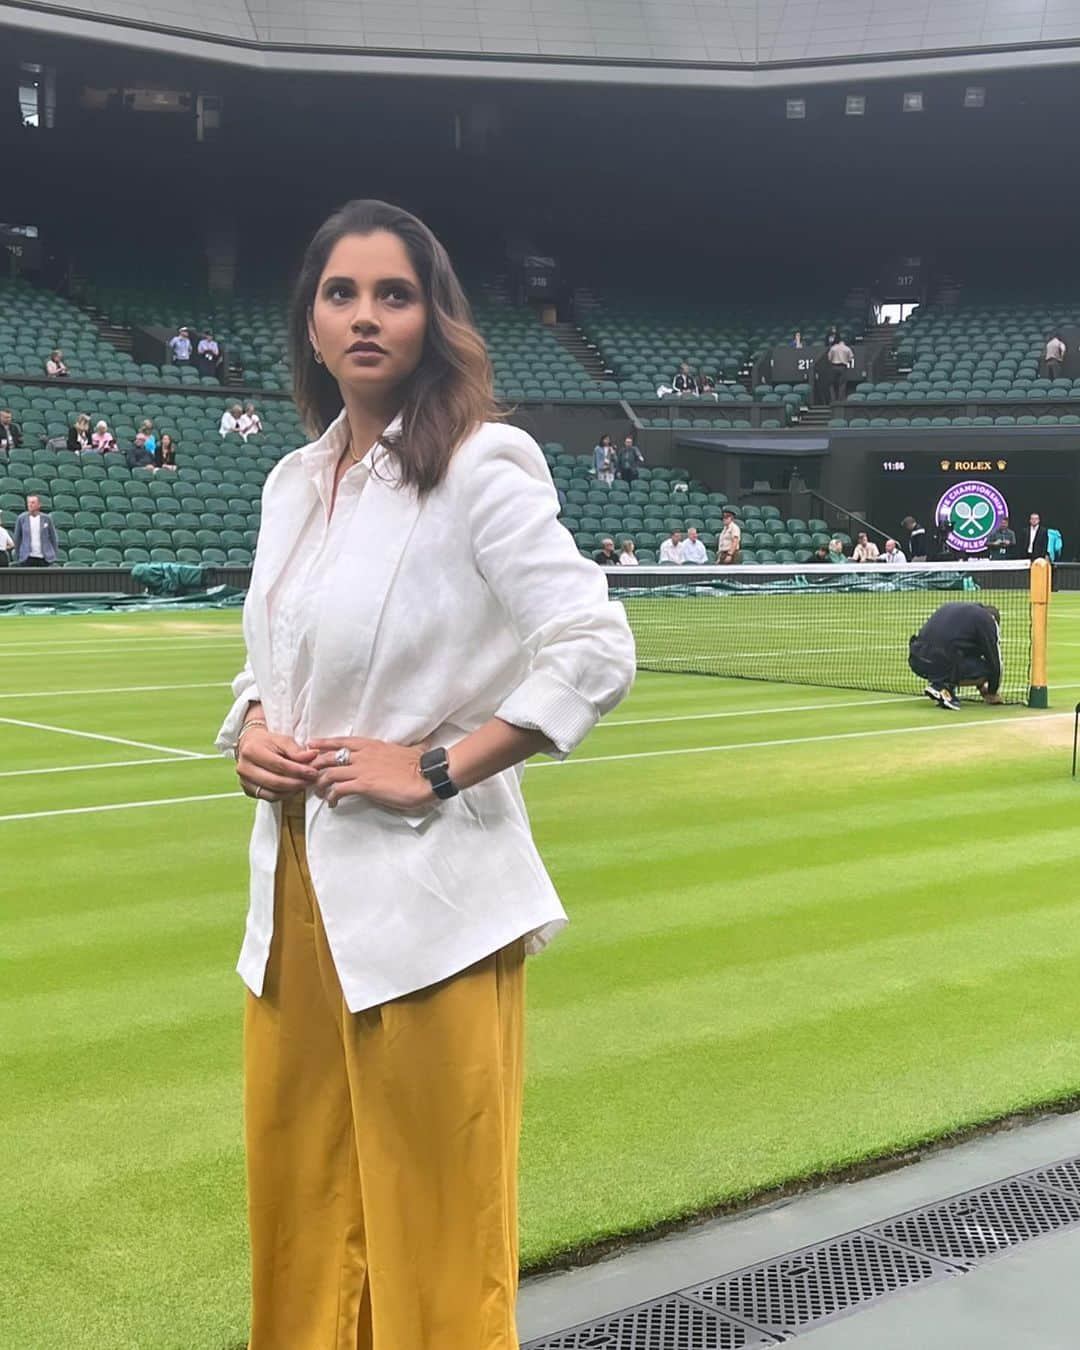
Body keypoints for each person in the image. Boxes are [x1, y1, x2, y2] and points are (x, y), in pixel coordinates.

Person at [213, 198, 636, 1350]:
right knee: (301, 1216)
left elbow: (596, 648)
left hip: (431, 905)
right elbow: (275, 657)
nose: (364, 315)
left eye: (393, 294)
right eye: (340, 293)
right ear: (308, 320)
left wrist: (440, 767)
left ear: (431, 317)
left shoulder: (482, 462)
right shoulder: (292, 481)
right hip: (293, 900)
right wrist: (251, 727)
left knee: (439, 1241)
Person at [908, 602, 1005, 711]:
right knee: (988, 669)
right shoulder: (987, 620)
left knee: (953, 655)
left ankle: (941, 685)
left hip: (917, 660)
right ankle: (942, 686)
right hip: (940, 660)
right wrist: (992, 692)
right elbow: (996, 663)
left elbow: (962, 648)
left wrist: (981, 686)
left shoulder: (960, 611)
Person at [14, 494, 58, 566]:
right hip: (27, 558)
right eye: (29, 502)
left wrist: (54, 554)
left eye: (33, 502)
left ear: (39, 505)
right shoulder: (21, 518)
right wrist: (18, 555)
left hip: (44, 558)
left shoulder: (47, 519)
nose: (30, 505)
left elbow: (53, 537)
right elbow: (17, 538)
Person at [827, 336, 854, 402]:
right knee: (842, 384)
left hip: (834, 366)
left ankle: (833, 399)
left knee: (832, 384)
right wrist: (846, 360)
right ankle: (840, 400)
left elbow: (829, 358)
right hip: (843, 367)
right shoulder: (847, 348)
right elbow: (851, 358)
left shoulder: (833, 348)